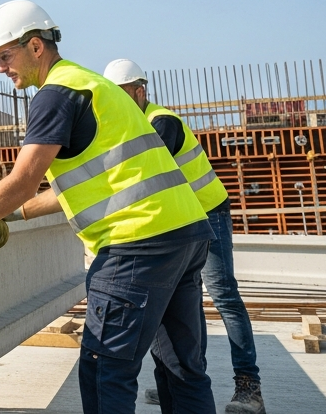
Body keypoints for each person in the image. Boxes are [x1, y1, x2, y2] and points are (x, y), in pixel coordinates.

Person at [0, 0, 214, 414]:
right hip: (185, 236)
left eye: (4, 56)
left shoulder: (54, 96)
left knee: (105, 371)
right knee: (183, 370)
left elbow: (23, 180)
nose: (0, 68)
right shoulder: (91, 85)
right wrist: (9, 213)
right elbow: (66, 188)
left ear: (36, 47)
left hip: (135, 245)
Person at [103, 59, 265, 414]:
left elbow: (141, 173)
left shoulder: (161, 122)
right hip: (181, 222)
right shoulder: (134, 125)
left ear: (140, 91)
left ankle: (248, 387)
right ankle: (184, 380)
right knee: (181, 303)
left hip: (208, 214)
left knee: (224, 297)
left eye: (121, 95)